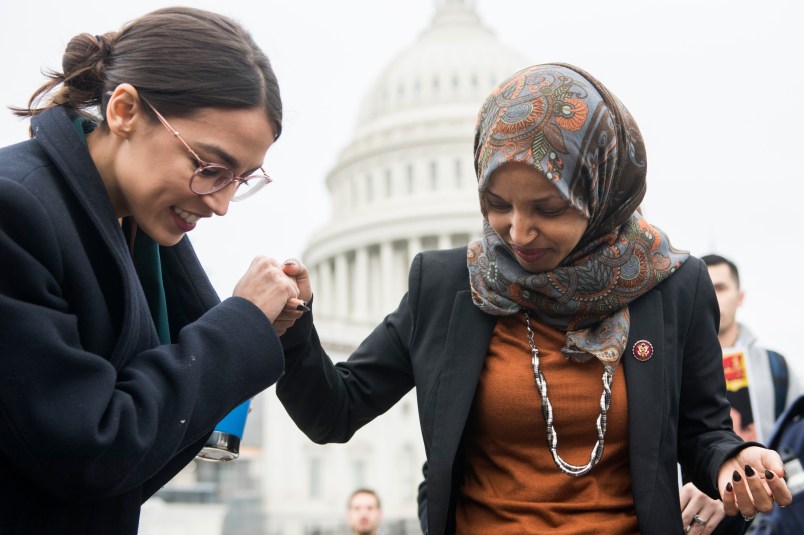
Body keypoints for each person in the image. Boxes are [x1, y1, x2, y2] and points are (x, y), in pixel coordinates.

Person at [276, 63, 792, 534]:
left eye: (547, 207)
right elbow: (333, 412)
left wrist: (734, 461)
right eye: (497, 204)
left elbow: (704, 432)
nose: (518, 233)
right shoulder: (448, 286)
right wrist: (294, 324)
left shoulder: (673, 286)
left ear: (602, 191)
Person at [0, 7, 305, 533]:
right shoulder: (15, 209)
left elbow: (132, 470)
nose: (222, 205)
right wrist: (236, 328)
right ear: (124, 110)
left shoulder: (136, 235)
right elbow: (90, 454)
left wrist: (252, 332)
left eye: (243, 179)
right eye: (210, 168)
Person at [702, 254, 801, 443]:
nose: (712, 297)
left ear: (740, 297)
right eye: (704, 289)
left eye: (720, 288)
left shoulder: (776, 367)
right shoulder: (673, 369)